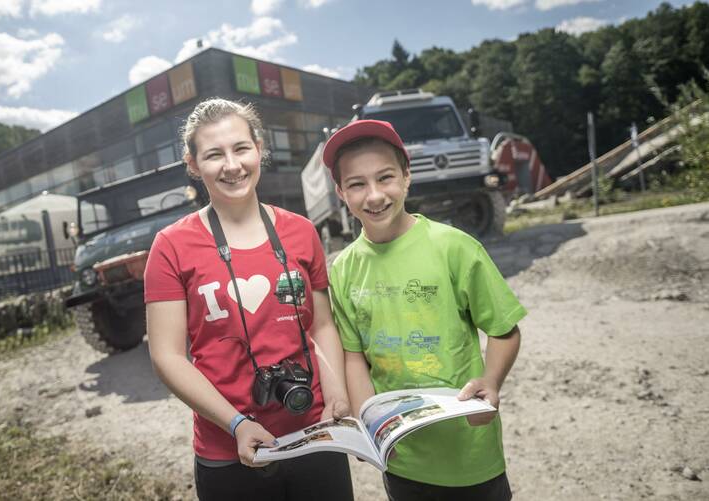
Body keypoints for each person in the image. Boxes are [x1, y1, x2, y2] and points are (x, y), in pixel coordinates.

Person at [144, 98, 353, 501]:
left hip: (314, 433)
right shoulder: (170, 246)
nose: (232, 165)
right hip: (228, 449)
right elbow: (166, 356)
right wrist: (236, 424)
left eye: (241, 148)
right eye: (213, 155)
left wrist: (338, 396)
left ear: (259, 148)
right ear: (192, 163)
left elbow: (321, 325)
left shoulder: (301, 231)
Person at [323, 119, 526, 501]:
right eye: (357, 184)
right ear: (340, 193)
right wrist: (372, 424)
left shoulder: (453, 246)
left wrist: (492, 381)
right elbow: (354, 356)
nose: (374, 195)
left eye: (385, 178)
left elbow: (504, 329)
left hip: (469, 451)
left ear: (407, 176)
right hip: (402, 457)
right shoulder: (344, 268)